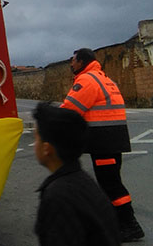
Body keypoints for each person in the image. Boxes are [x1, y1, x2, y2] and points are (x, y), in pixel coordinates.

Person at [60, 48, 144, 242]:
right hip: (113, 138)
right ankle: (117, 222)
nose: (71, 64)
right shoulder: (104, 78)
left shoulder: (87, 80)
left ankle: (130, 225)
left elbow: (70, 110)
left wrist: (48, 119)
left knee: (111, 184)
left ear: (81, 61)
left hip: (103, 141)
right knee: (111, 181)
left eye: (73, 60)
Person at [32, 102, 120, 246]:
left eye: (36, 138)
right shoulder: (83, 182)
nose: (35, 145)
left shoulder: (58, 196)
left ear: (47, 148)